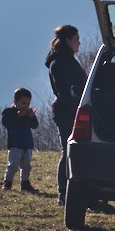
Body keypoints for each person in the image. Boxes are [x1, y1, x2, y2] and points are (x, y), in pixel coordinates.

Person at [46, 24, 87, 205]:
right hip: (66, 113)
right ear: (68, 40)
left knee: (74, 151)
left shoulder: (67, 60)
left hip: (72, 111)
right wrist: (77, 110)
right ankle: (63, 192)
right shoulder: (60, 62)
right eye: (76, 39)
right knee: (68, 151)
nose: (79, 42)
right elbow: (64, 92)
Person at [1, 87, 39, 192]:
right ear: (15, 102)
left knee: (26, 166)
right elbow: (7, 123)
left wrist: (32, 117)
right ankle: (7, 183)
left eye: (27, 104)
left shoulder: (28, 114)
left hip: (27, 144)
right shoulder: (9, 112)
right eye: (23, 103)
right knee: (13, 165)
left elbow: (34, 126)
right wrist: (17, 116)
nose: (25, 106)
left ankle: (25, 183)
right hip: (15, 144)